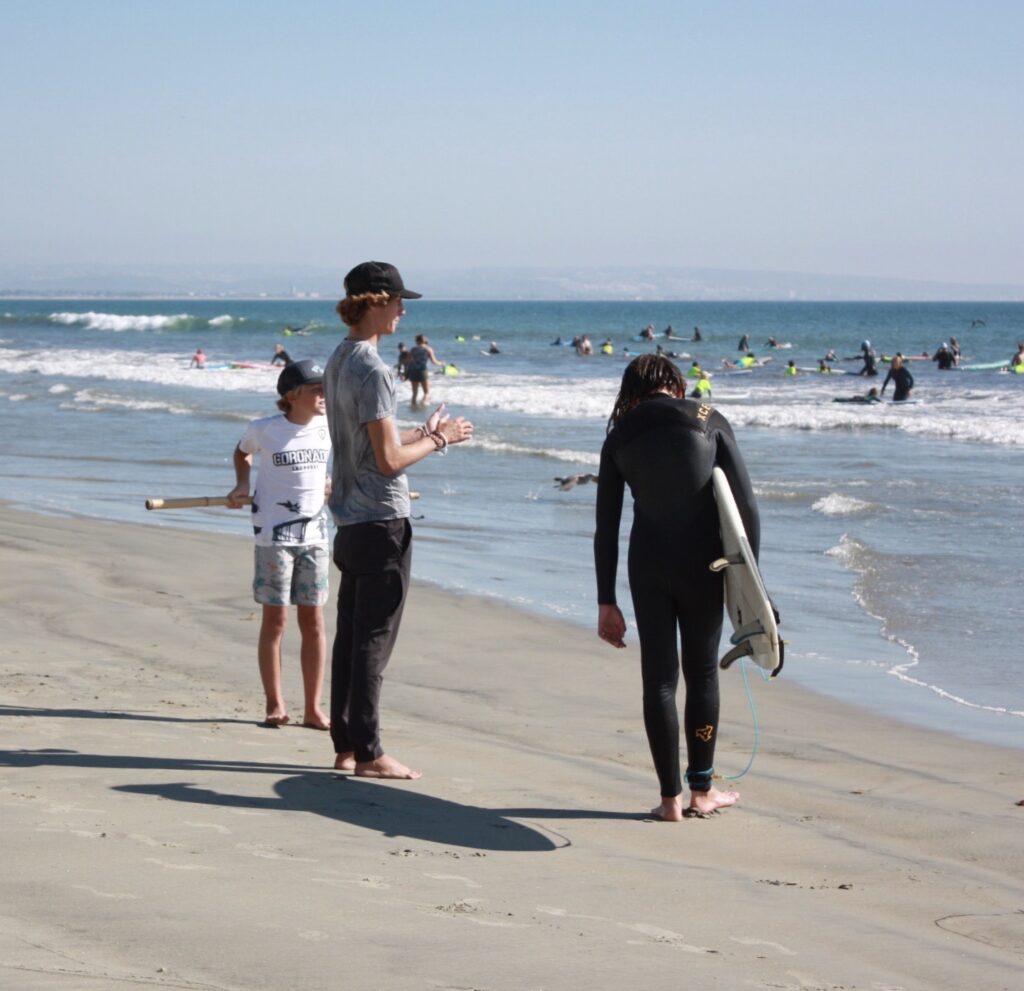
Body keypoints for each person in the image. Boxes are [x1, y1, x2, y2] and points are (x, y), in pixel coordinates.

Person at [324, 261, 473, 780]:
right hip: (381, 519)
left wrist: (420, 433)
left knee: (351, 635)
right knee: (373, 639)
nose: (403, 311)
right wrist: (439, 440)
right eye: (397, 301)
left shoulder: (339, 359)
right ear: (375, 301)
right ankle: (368, 752)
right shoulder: (374, 368)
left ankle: (346, 745)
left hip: (348, 519)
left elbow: (373, 448)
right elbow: (387, 463)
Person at [594, 354, 758, 821]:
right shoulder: (709, 419)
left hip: (646, 566)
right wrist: (751, 588)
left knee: (659, 679)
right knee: (702, 672)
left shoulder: (619, 437)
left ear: (632, 391)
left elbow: (606, 527)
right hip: (703, 566)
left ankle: (670, 801)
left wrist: (606, 601)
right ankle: (701, 792)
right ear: (677, 386)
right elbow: (745, 506)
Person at [226, 359, 332, 730]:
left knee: (314, 621)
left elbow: (338, 464)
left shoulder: (328, 427)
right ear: (292, 396)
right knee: (276, 620)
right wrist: (242, 484)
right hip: (273, 537)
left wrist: (333, 481)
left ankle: (314, 708)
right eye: (316, 389)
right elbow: (242, 452)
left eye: (325, 388)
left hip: (317, 537)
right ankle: (275, 703)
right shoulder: (265, 430)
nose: (323, 395)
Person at [405, 334, 444, 405]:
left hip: (413, 371)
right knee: (426, 393)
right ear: (425, 341)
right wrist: (441, 363)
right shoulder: (428, 349)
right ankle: (423, 405)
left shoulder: (413, 349)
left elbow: (407, 361)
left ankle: (413, 407)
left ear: (417, 341)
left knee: (414, 394)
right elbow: (434, 362)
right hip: (422, 371)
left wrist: (406, 372)